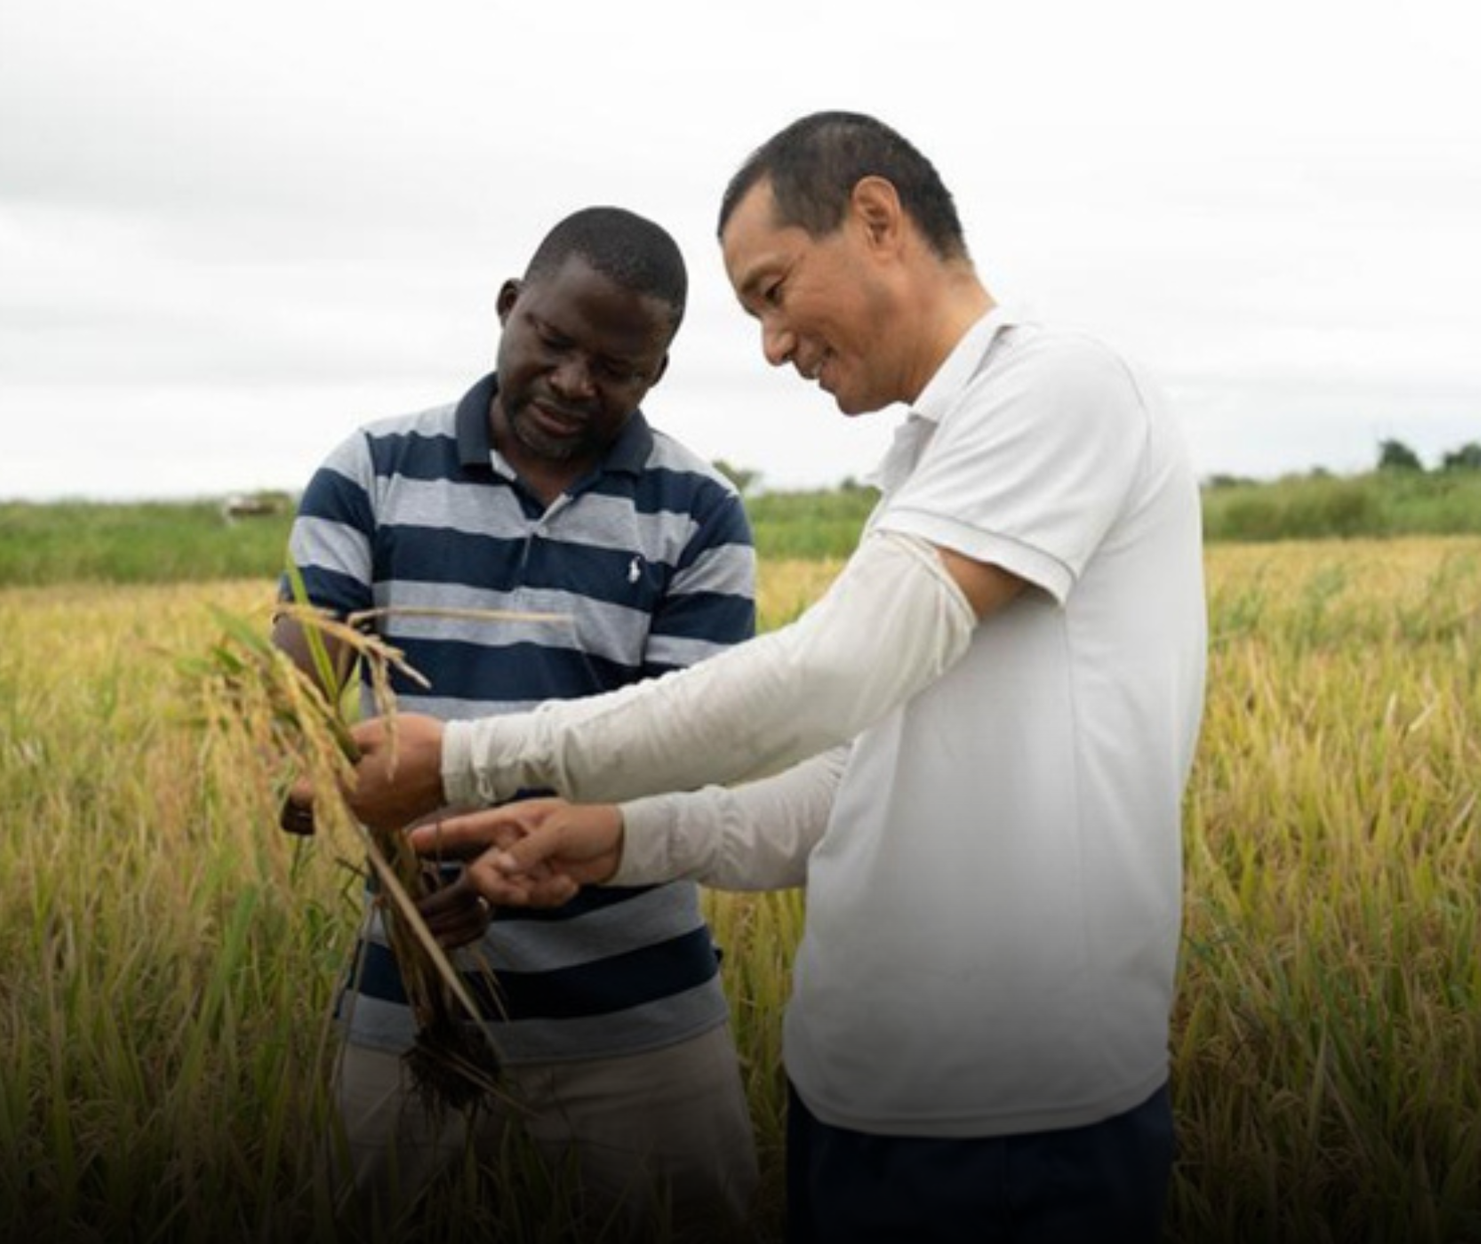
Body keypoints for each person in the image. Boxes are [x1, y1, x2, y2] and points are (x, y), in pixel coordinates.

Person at [306, 112, 1208, 1243]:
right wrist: (615, 837)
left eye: (773, 291)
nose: (774, 346)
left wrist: (472, 756)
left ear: (877, 219)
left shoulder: (1060, 387)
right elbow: (847, 789)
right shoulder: (931, 463)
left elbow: (828, 673)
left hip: (1015, 1114)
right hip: (858, 1101)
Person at [273, 205, 761, 1241]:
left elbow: (687, 752)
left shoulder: (699, 512)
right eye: (552, 340)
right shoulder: (372, 471)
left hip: (638, 1014)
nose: (576, 383)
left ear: (657, 373)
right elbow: (295, 723)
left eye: (617, 365)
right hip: (406, 990)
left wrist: (484, 844)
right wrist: (404, 870)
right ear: (509, 306)